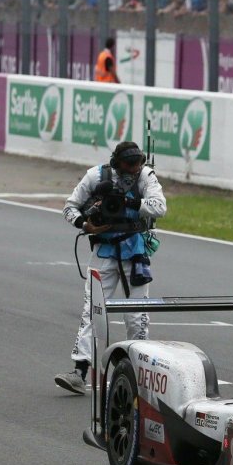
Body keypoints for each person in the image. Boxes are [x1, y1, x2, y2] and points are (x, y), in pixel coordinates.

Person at [56, 141, 166, 393]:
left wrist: (128, 204)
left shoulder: (145, 175)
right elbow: (69, 207)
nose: (134, 169)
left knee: (137, 315)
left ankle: (138, 373)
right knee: (92, 309)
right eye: (129, 165)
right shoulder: (96, 176)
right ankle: (79, 372)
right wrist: (86, 225)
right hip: (103, 251)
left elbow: (160, 207)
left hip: (135, 252)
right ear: (117, 162)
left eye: (138, 163)